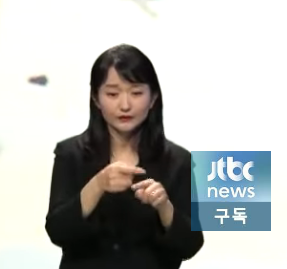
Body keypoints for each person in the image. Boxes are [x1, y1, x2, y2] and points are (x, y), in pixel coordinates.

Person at [45, 44, 205, 268]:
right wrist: (97, 186)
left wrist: (164, 207)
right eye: (112, 94)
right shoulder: (70, 153)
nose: (125, 105)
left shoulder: (178, 161)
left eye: (136, 93)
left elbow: (191, 245)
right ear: (96, 98)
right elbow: (57, 231)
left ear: (153, 98)